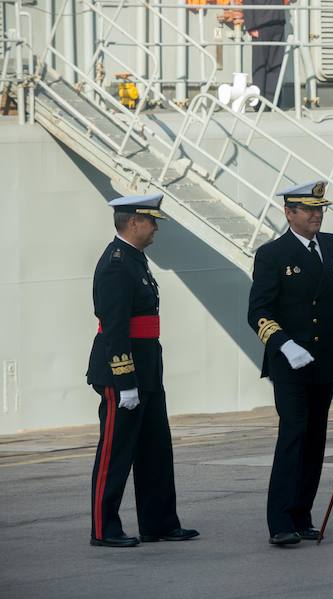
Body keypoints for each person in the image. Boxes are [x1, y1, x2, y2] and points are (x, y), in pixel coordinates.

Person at [247, 180, 333, 545]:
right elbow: (258, 311)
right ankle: (280, 521)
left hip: (325, 360)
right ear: (289, 212)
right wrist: (283, 344)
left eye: (320, 208)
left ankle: (302, 514)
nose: (316, 215)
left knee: (314, 439)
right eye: (308, 210)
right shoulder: (272, 254)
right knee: (293, 434)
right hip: (291, 363)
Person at [86, 193, 198, 548]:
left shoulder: (135, 259)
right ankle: (104, 528)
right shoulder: (117, 263)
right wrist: (126, 383)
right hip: (123, 374)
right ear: (133, 222)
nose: (155, 229)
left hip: (147, 369)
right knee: (116, 451)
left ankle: (160, 522)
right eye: (151, 222)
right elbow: (116, 327)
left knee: (155, 449)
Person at [243, 0, 288, 104]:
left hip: (275, 23)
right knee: (261, 65)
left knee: (275, 64)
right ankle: (260, 102)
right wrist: (251, 27)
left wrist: (251, 26)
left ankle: (272, 102)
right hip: (264, 25)